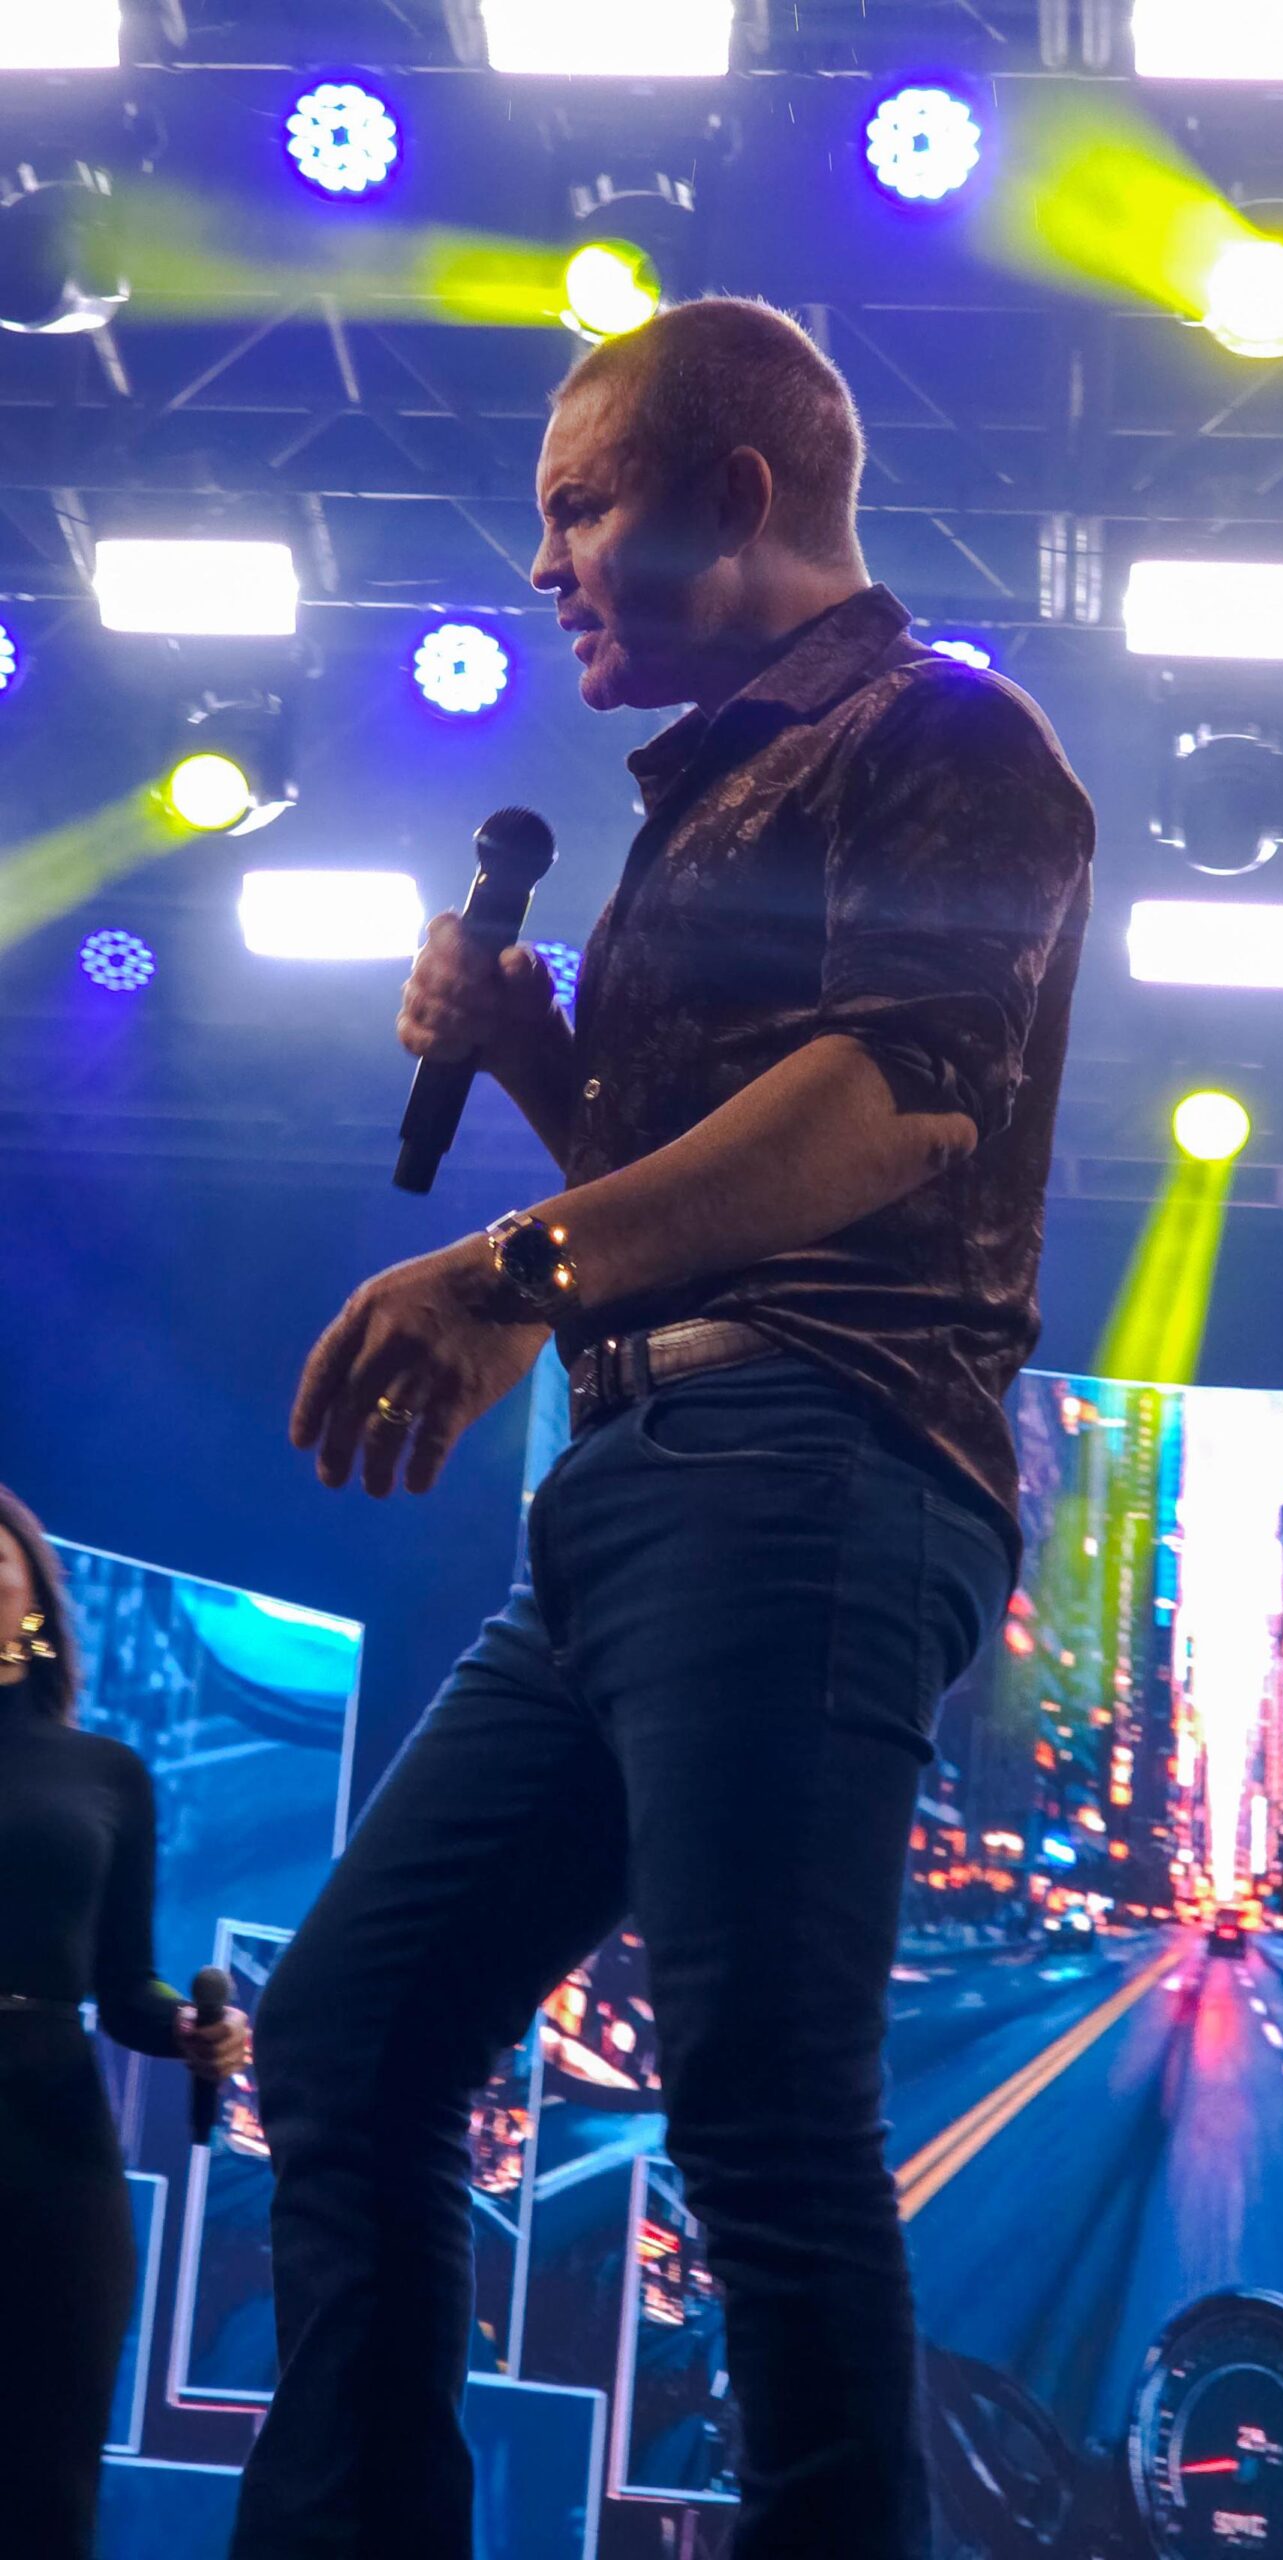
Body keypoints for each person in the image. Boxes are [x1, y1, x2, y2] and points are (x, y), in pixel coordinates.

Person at [229, 296, 1094, 2560]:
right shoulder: (710, 790)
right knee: (347, 2037)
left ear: (733, 491)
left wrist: (503, 1269)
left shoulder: (943, 733)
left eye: (576, 508)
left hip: (809, 1464)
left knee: (757, 2106)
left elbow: (894, 1105)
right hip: (640, 1489)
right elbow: (703, 1181)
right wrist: (539, 1057)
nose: (542, 565)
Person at [0, 1485, 250, 2559]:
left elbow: (124, 1984)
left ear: (33, 1597)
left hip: (53, 2139)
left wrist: (192, 2029)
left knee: (49, 2473)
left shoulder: (106, 1773)